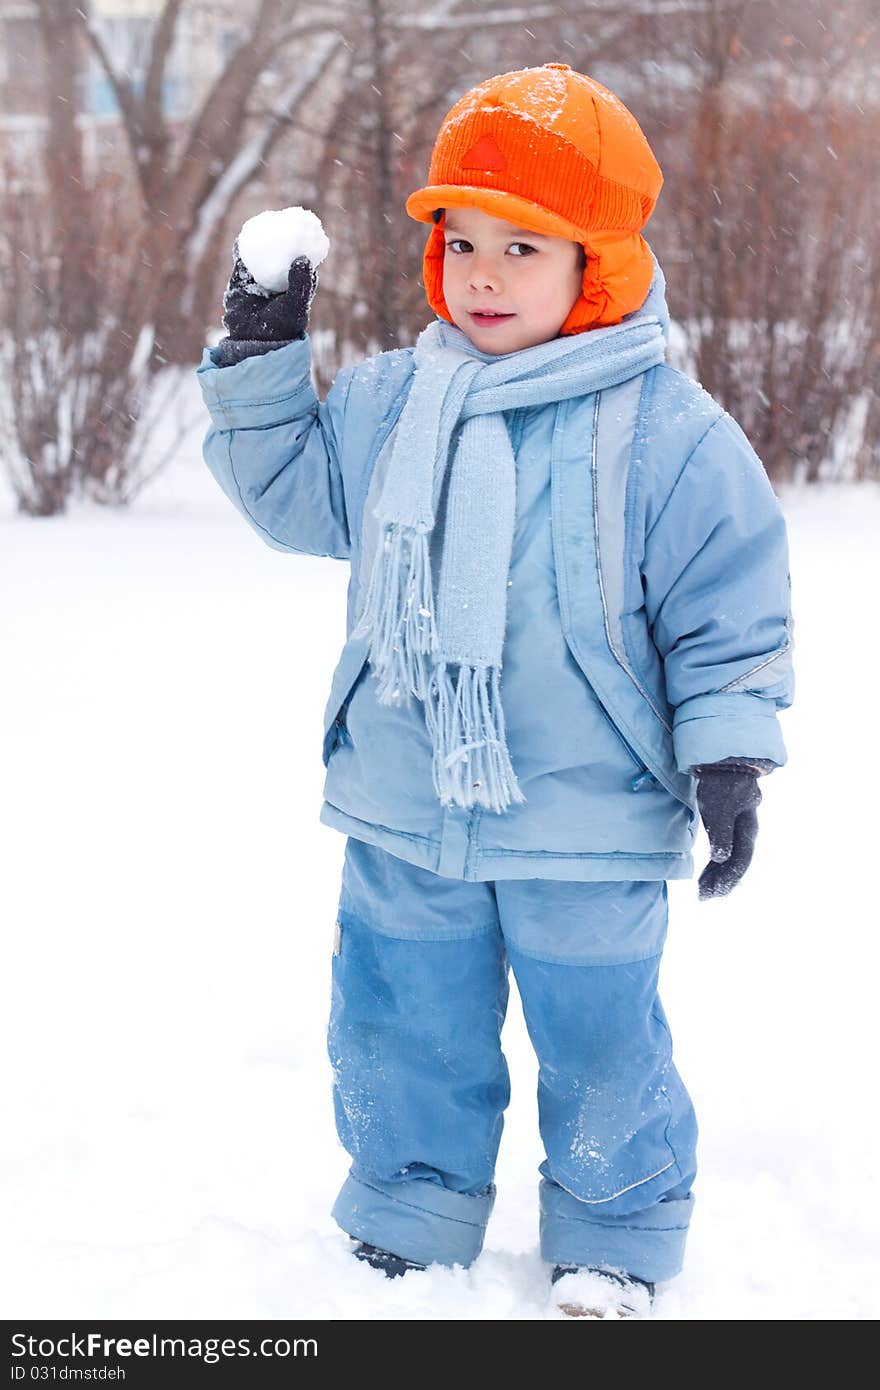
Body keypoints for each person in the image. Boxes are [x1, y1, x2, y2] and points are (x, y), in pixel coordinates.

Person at [195, 63, 795, 1318]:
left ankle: (615, 1230)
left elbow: (724, 603)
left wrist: (727, 752)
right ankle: (411, 1205)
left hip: (588, 815)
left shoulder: (668, 431)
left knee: (601, 1036)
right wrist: (262, 360)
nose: (478, 273)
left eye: (522, 247)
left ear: (600, 261)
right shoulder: (391, 402)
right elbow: (295, 502)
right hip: (409, 798)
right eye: (460, 240)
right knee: (402, 1016)